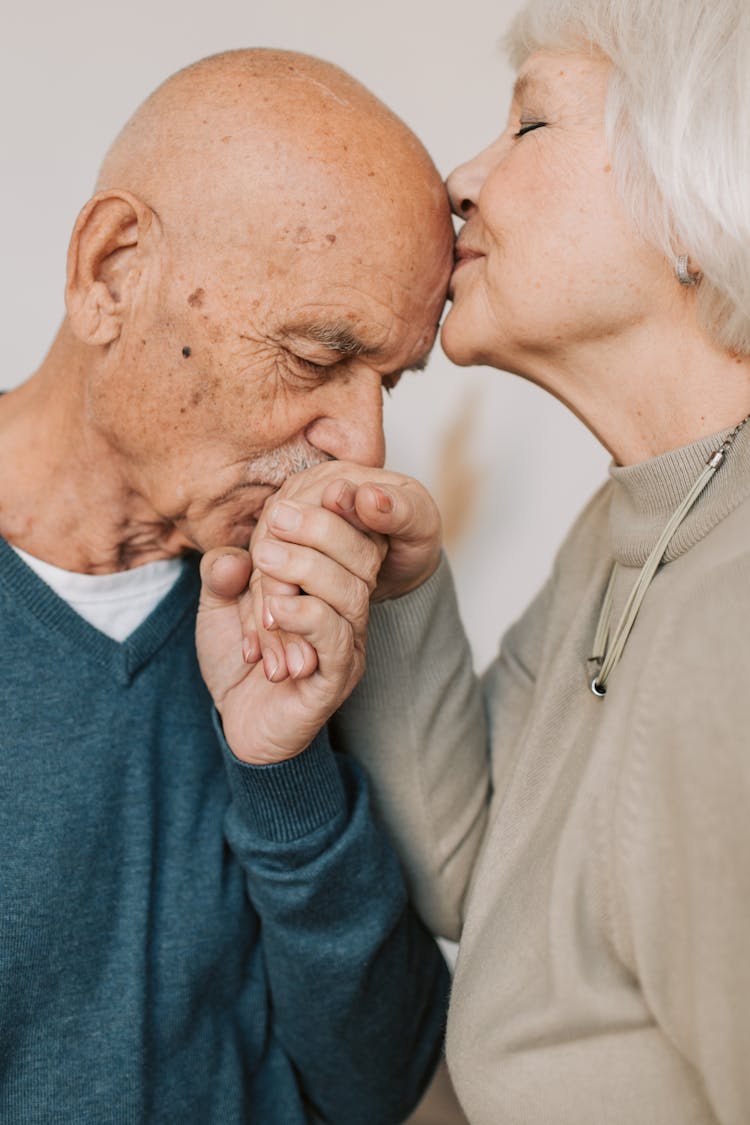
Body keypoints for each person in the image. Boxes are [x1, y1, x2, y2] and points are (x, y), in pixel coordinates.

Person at [243, 1, 750, 1121]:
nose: (461, 179)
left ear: (698, 192)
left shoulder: (735, 627)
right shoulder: (633, 528)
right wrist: (405, 592)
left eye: (530, 126)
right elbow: (483, 872)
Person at [0, 47, 458, 1124]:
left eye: (386, 381)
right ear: (113, 271)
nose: (363, 440)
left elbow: (378, 1087)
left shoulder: (313, 609)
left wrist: (282, 769)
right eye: (315, 356)